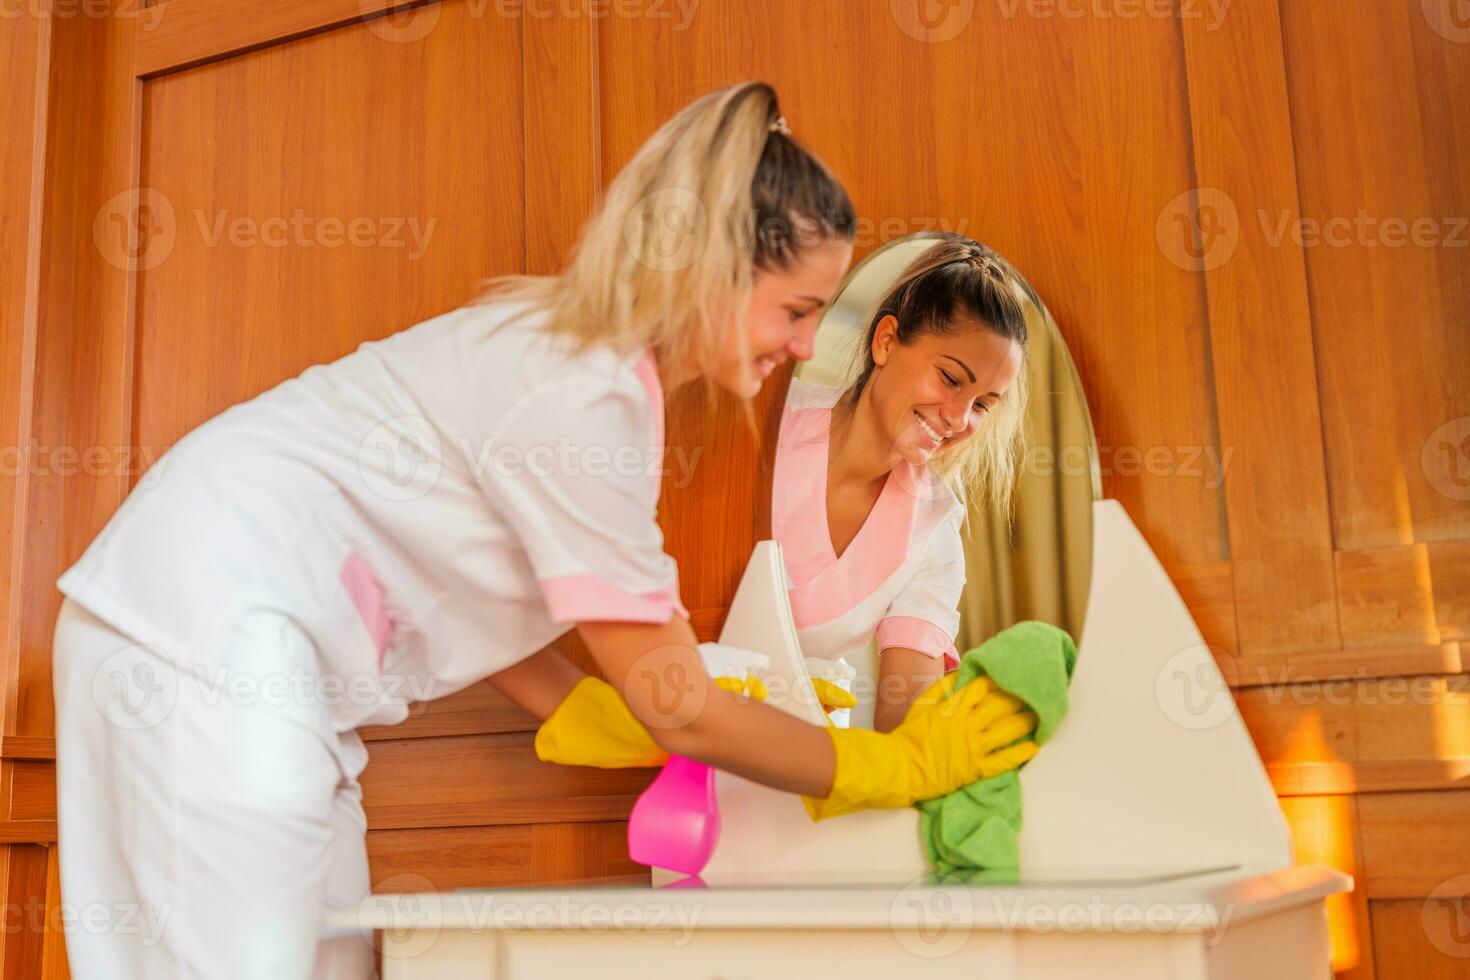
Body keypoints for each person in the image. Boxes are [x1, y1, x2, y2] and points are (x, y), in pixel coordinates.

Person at [52, 84, 1037, 979]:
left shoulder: (607, 388)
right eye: (794, 310)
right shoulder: (582, 392)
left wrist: (610, 719)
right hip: (201, 638)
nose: (797, 344)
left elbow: (521, 639)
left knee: (331, 958)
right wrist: (888, 765)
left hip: (274, 671)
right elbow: (673, 699)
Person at [770, 235, 1034, 732]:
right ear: (886, 340)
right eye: (952, 379)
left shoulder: (934, 528)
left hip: (810, 763)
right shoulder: (772, 422)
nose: (958, 418)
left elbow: (908, 716)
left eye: (982, 405)